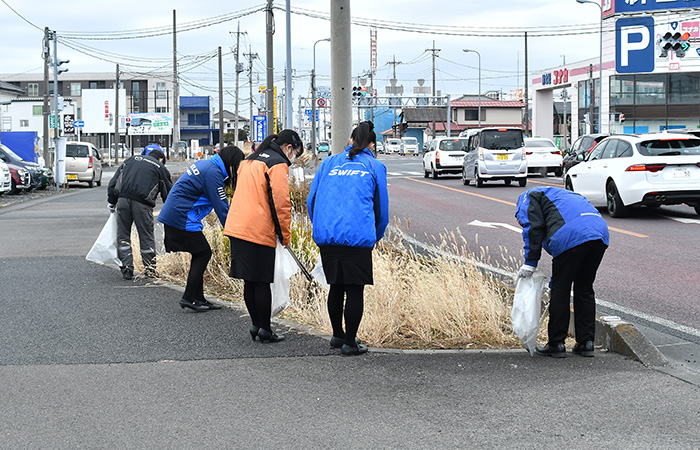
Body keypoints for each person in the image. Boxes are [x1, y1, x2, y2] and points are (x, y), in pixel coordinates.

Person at [307, 121, 389, 356]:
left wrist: (321, 226)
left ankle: (337, 335)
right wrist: (377, 234)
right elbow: (381, 208)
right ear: (372, 144)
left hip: (327, 235)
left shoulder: (330, 162)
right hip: (357, 236)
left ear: (351, 140)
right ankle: (350, 343)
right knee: (354, 290)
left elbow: (312, 200)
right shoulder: (374, 165)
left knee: (335, 286)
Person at [224, 130, 303, 343]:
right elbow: (281, 202)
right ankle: (266, 329)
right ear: (289, 148)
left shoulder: (250, 160)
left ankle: (256, 325)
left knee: (250, 281)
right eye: (295, 153)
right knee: (261, 282)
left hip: (237, 226)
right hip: (257, 229)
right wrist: (285, 235)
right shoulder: (277, 163)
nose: (293, 158)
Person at [515, 186, 609, 358]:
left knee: (561, 290)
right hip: (599, 233)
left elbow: (533, 227)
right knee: (584, 288)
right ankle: (586, 343)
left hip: (571, 235)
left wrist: (530, 263)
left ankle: (556, 343)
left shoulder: (527, 197)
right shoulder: (561, 195)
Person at [158, 146, 245, 312]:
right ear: (231, 162)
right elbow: (222, 207)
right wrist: (234, 232)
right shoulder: (213, 172)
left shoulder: (207, 165)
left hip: (177, 214)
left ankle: (198, 298)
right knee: (204, 252)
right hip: (181, 217)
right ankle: (188, 297)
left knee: (200, 253)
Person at [107, 149, 171, 280]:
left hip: (123, 200)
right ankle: (150, 269)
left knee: (123, 235)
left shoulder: (130, 160)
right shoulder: (160, 167)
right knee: (146, 236)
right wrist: (170, 210)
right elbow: (168, 193)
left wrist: (112, 202)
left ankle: (127, 268)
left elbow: (113, 183)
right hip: (142, 204)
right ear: (161, 159)